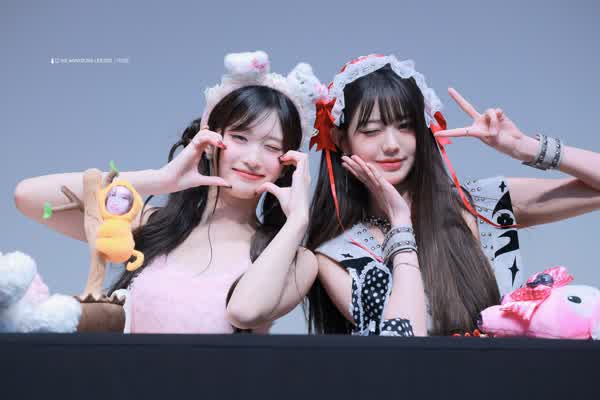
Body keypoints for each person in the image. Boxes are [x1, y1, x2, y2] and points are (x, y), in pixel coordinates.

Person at [14, 51, 322, 334]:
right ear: (210, 140)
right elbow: (29, 197)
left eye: (271, 147)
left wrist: (297, 220)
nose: (253, 158)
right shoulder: (153, 224)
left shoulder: (296, 259)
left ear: (288, 163)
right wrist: (161, 179)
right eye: (240, 137)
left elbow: (244, 311)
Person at [306, 54, 600, 336]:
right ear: (341, 140)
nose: (392, 144)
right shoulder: (340, 255)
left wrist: (525, 147)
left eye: (406, 126)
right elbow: (405, 342)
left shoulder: (482, 203)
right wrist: (401, 222)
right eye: (372, 131)